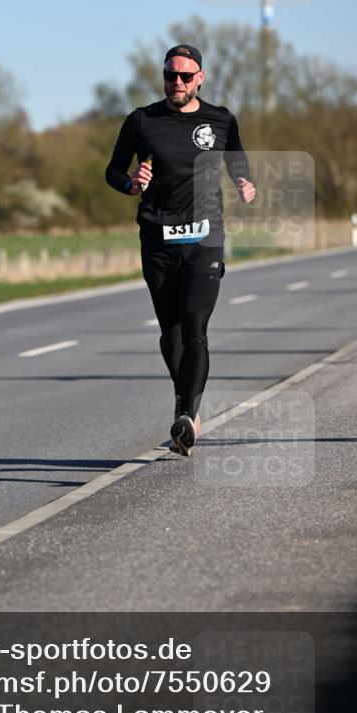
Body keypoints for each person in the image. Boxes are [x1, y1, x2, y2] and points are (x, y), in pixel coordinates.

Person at [105, 43, 255, 456]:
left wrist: (244, 181)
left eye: (186, 76)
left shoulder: (220, 119)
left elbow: (235, 157)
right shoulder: (142, 121)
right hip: (158, 241)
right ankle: (184, 406)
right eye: (171, 75)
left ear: (200, 78)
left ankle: (186, 415)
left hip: (205, 240)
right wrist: (131, 183)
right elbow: (112, 170)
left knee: (195, 330)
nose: (177, 83)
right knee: (170, 335)